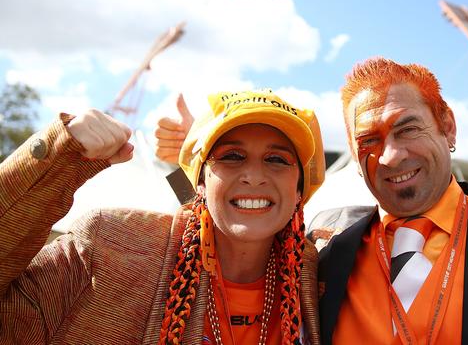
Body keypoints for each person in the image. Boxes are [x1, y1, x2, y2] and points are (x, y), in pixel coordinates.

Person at [152, 59, 468, 344]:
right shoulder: (327, 241)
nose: (391, 156)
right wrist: (201, 155)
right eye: (369, 141)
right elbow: (242, 220)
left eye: (407, 129)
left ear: (447, 127)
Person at [0, 90, 325, 345]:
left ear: (299, 191)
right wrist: (57, 152)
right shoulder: (109, 250)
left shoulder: (321, 272)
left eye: (277, 160)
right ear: (200, 183)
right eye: (232, 156)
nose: (254, 176)